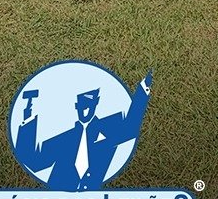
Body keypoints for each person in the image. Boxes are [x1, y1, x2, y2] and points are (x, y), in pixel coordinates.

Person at [15, 70, 152, 191]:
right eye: (81, 103)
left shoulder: (107, 128)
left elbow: (130, 127)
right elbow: (33, 161)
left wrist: (143, 89)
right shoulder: (63, 139)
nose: (85, 108)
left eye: (89, 102)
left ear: (96, 102)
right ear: (76, 106)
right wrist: (28, 119)